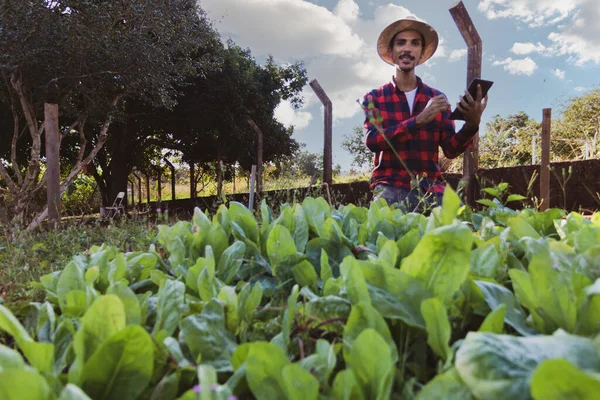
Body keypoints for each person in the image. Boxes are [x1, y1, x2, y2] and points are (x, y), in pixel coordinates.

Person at [361, 16, 488, 212]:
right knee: (383, 230)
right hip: (389, 185)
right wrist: (419, 120)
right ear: (391, 52)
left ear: (421, 54)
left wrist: (471, 125)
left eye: (415, 43)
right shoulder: (374, 97)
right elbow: (373, 141)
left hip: (431, 186)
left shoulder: (437, 97)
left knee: (465, 222)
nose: (407, 49)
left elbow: (450, 149)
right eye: (401, 43)